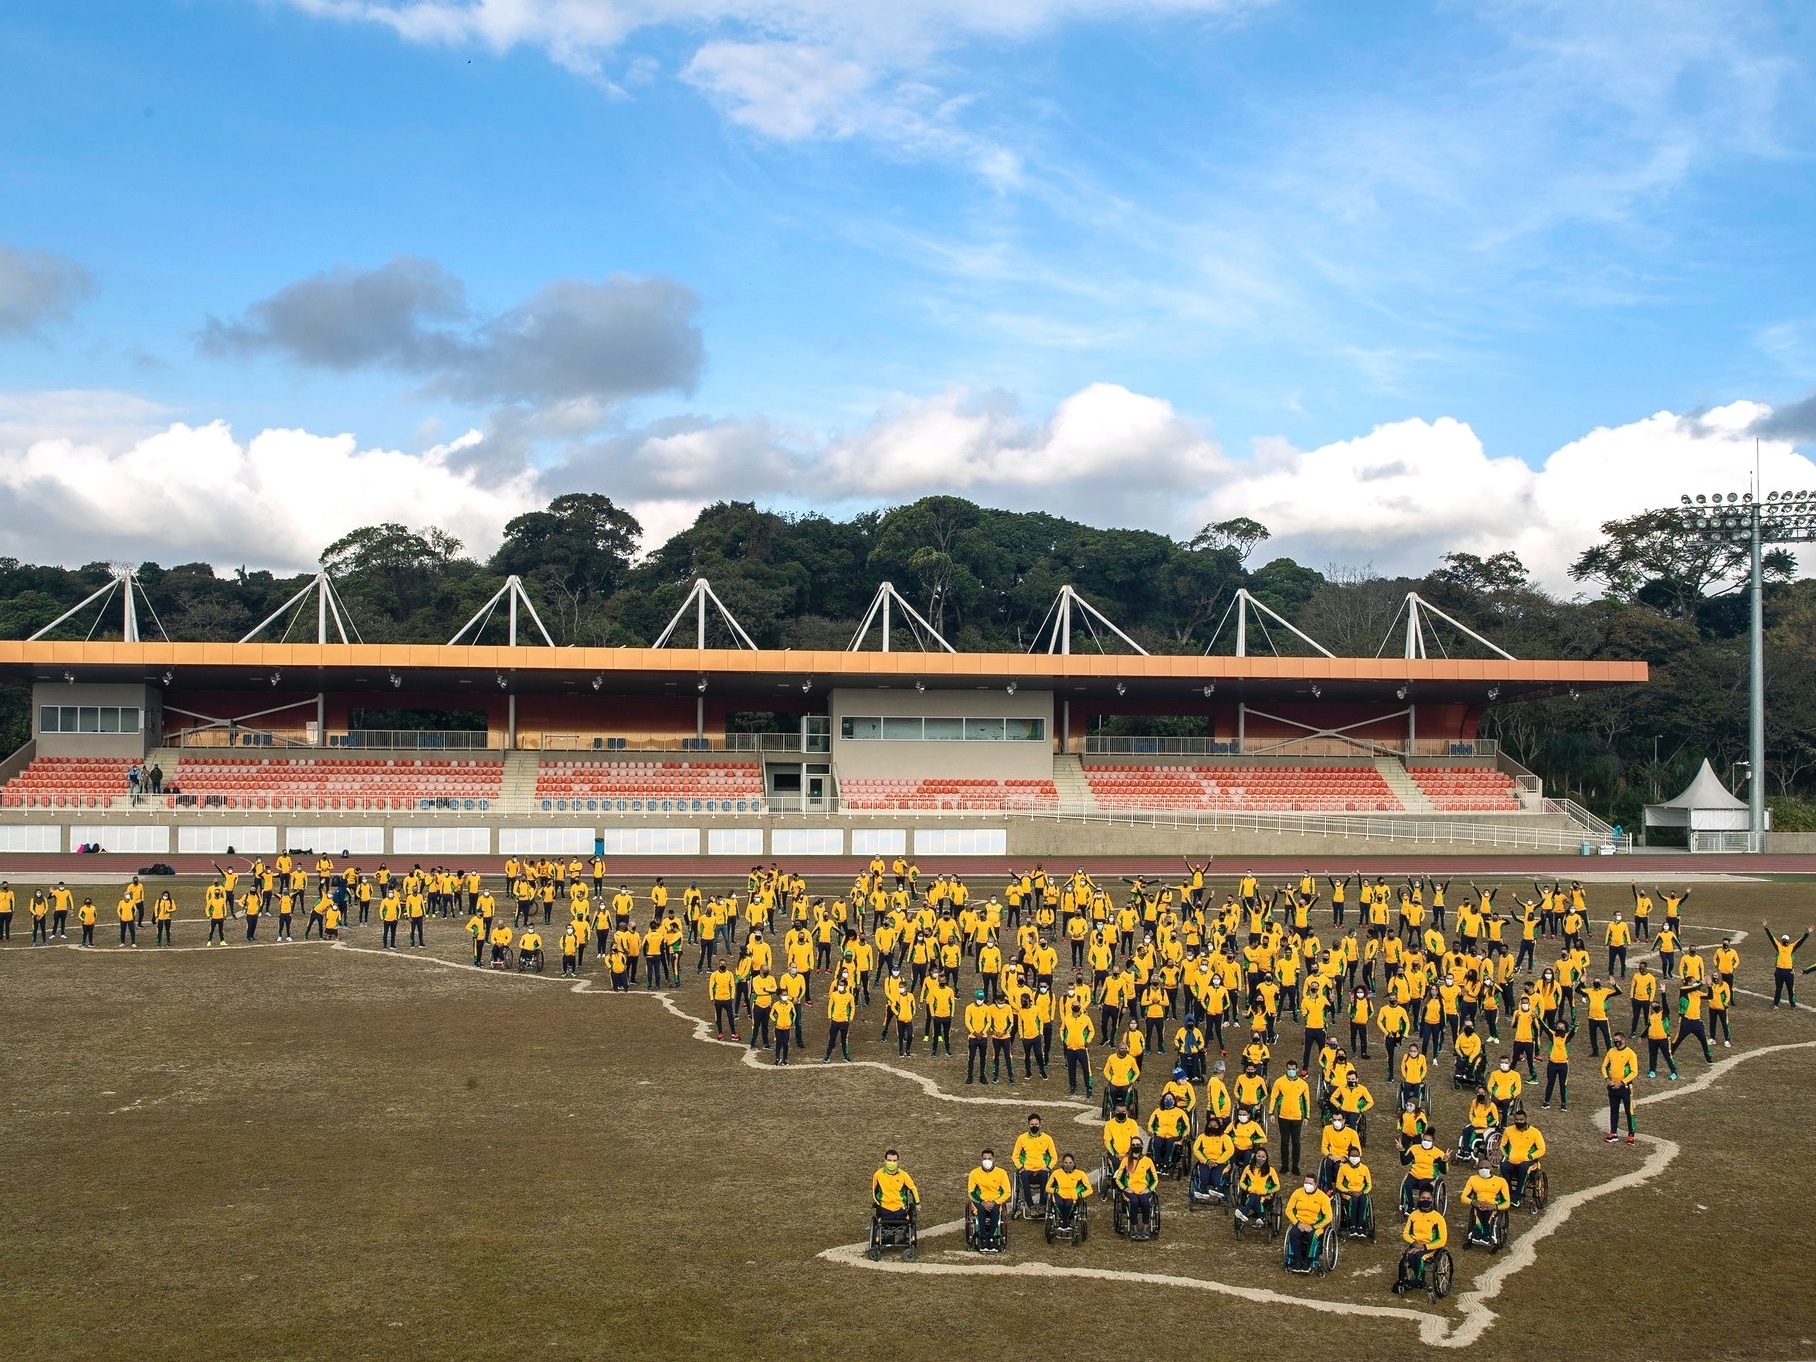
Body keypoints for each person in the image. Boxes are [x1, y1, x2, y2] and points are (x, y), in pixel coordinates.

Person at [1394, 1191, 1447, 1294]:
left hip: (1431, 1246)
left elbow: (1442, 1240)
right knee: (1408, 1255)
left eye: (1428, 1198)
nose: (1425, 1200)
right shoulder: (1413, 1215)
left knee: (1419, 1256)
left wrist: (1425, 1246)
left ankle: (1418, 1281)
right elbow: (1405, 1233)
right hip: (1415, 1244)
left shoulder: (1438, 1218)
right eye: (1423, 1198)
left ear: (1432, 1200)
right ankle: (1413, 1279)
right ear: (1419, 1199)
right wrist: (1414, 1244)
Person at [1269, 1059, 1313, 1175]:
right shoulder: (1279, 1082)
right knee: (1284, 1142)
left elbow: (1306, 1100)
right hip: (1283, 1116)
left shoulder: (1303, 1084)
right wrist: (1271, 1113)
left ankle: (1295, 1166)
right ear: (1286, 1069)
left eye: (1293, 1069)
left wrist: (1307, 1116)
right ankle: (1284, 1165)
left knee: (1296, 1142)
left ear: (1297, 1070)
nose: (1291, 1071)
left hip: (1297, 1117)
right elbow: (1273, 1097)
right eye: (1289, 1069)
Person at [1284, 1172, 1334, 1268]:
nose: (1307, 1185)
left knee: (1313, 1236)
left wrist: (1313, 1226)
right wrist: (1297, 1223)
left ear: (1316, 1185)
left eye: (1310, 1183)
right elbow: (1288, 1210)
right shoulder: (1297, 1193)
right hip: (1300, 1222)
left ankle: (1308, 1261)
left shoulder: (1323, 1197)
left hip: (1315, 1225)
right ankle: (1297, 1260)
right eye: (1306, 1182)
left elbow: (1328, 1217)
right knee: (1293, 1233)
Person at [1116, 1136, 1160, 1238]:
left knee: (1145, 1202)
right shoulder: (1126, 1161)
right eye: (1134, 1145)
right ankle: (1134, 1228)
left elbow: (1155, 1179)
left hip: (1144, 1190)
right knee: (1134, 1202)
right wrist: (1125, 1188)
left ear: (1142, 1146)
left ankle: (1145, 1228)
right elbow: (1118, 1178)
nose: (1136, 1146)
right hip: (1130, 1190)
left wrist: (1148, 1189)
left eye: (1138, 1144)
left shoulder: (1148, 1161)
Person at [967, 1149, 1011, 1247]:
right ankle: (982, 1237)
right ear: (981, 1159)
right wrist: (982, 1202)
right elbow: (971, 1192)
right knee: (981, 1210)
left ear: (993, 1159)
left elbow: (1007, 1191)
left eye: (989, 1158)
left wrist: (995, 1202)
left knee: (995, 1210)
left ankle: (992, 1237)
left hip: (995, 1200)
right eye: (984, 1158)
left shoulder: (1001, 1173)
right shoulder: (974, 1173)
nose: (987, 1160)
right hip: (980, 1200)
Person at [1013, 1114, 1058, 1210]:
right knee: (1023, 1176)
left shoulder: (1047, 1139)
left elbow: (1054, 1157)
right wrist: (1020, 1167)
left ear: (1040, 1125)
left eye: (1036, 1124)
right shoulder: (1021, 1138)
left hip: (1042, 1170)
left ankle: (1042, 1205)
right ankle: (1031, 1206)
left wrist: (1049, 1167)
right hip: (1027, 1170)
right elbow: (1015, 1156)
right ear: (1028, 1125)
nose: (1034, 1126)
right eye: (1032, 1124)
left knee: (1045, 1175)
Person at [1500, 1111, 1545, 1207]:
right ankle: (1509, 1193)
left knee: (1523, 1169)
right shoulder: (1508, 1131)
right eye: (1516, 1119)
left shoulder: (1535, 1132)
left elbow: (1542, 1149)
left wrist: (1530, 1157)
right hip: (1512, 1161)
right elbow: (1502, 1145)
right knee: (1503, 1166)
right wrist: (1508, 1156)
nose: (1519, 1121)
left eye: (1521, 1119)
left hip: (1529, 1162)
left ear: (1525, 1119)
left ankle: (1517, 1198)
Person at [1461, 1161, 1512, 1244]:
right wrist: (1474, 1202)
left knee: (1489, 1215)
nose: (1483, 1170)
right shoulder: (1473, 1179)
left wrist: (1494, 1206)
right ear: (1478, 1169)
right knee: (1478, 1213)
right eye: (1481, 1168)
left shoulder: (1501, 1181)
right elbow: (1463, 1197)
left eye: (1486, 1168)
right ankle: (1478, 1232)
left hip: (1493, 1205)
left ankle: (1487, 1233)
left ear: (1491, 1168)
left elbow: (1507, 1202)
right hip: (1478, 1205)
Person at [1601, 1032, 1639, 1145]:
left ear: (1623, 1040)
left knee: (1629, 1111)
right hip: (1612, 1086)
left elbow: (1634, 1072)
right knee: (1614, 1110)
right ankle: (1613, 1132)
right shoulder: (1611, 1052)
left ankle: (1631, 1134)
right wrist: (1607, 1079)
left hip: (1625, 1088)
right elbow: (1604, 1066)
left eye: (1617, 1040)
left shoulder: (1630, 1054)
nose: (1615, 1042)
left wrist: (1622, 1082)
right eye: (1614, 1040)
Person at [1763, 920, 1811, 1006]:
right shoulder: (1779, 946)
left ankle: (1792, 1004)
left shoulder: (1791, 947)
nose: (1784, 941)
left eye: (1785, 940)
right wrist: (1766, 928)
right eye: (1783, 940)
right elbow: (1771, 938)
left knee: (1790, 989)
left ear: (1787, 941)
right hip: (1779, 971)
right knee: (1778, 989)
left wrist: (1807, 933)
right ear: (1782, 941)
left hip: (1788, 971)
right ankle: (1775, 1004)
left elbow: (1800, 942)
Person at [872, 1149, 919, 1229]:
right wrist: (878, 1204)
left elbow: (913, 1188)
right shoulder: (878, 1175)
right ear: (885, 1161)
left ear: (897, 1162)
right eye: (889, 1160)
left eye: (894, 1160)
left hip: (900, 1210)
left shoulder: (903, 1175)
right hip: (884, 1209)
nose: (892, 1163)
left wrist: (917, 1203)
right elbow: (874, 1191)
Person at [1045, 1153, 1092, 1231]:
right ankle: (1064, 1221)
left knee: (1068, 1205)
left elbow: (1090, 1190)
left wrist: (1080, 1194)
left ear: (1074, 1163)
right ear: (1062, 1164)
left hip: (1072, 1197)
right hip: (1059, 1195)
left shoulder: (1080, 1174)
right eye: (1066, 1163)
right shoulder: (1056, 1173)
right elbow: (1047, 1188)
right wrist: (1056, 1190)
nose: (1068, 1165)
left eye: (1070, 1163)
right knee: (1059, 1204)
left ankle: (1064, 1222)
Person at [1235, 1148, 1279, 1225]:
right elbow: (1241, 1182)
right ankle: (1260, 1217)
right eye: (1258, 1156)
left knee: (1256, 1197)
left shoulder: (1271, 1171)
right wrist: (1248, 1188)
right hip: (1250, 1193)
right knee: (1253, 1196)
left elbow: (1277, 1186)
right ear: (1255, 1156)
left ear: (1266, 1158)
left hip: (1265, 1196)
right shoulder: (1248, 1168)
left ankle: (1245, 1212)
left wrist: (1267, 1191)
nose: (1260, 1158)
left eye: (1263, 1157)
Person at [1334, 1150, 1372, 1232]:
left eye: (1356, 1156)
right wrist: (1349, 1192)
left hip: (1361, 1192)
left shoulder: (1364, 1168)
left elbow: (1369, 1184)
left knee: (1364, 1200)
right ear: (1348, 1157)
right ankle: (1352, 1225)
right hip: (1347, 1193)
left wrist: (1363, 1192)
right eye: (1352, 1156)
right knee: (1353, 1200)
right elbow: (1338, 1184)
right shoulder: (1343, 1168)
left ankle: (1361, 1225)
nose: (1354, 1158)